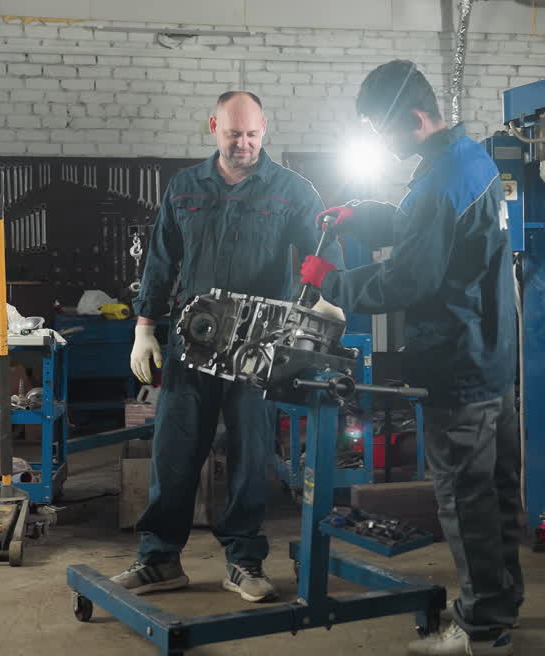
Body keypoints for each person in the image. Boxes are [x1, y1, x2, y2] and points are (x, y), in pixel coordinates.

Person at [298, 61, 522, 655]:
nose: (384, 143)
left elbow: (408, 279)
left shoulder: (437, 183)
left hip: (457, 366)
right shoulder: (470, 160)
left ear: (416, 119)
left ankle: (480, 630)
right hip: (494, 360)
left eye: (383, 131)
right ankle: (501, 607)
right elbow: (431, 234)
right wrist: (365, 214)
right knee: (496, 495)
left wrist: (331, 284)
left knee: (466, 501)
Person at [116, 90, 343, 603]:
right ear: (213, 127)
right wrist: (144, 327)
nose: (244, 144)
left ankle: (244, 561)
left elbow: (323, 250)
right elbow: (161, 260)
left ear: (265, 130)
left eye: (253, 134)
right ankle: (159, 559)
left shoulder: (291, 190)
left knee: (249, 452)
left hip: (258, 345)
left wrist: (327, 299)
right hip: (192, 339)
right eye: (234, 133)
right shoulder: (184, 187)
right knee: (174, 450)